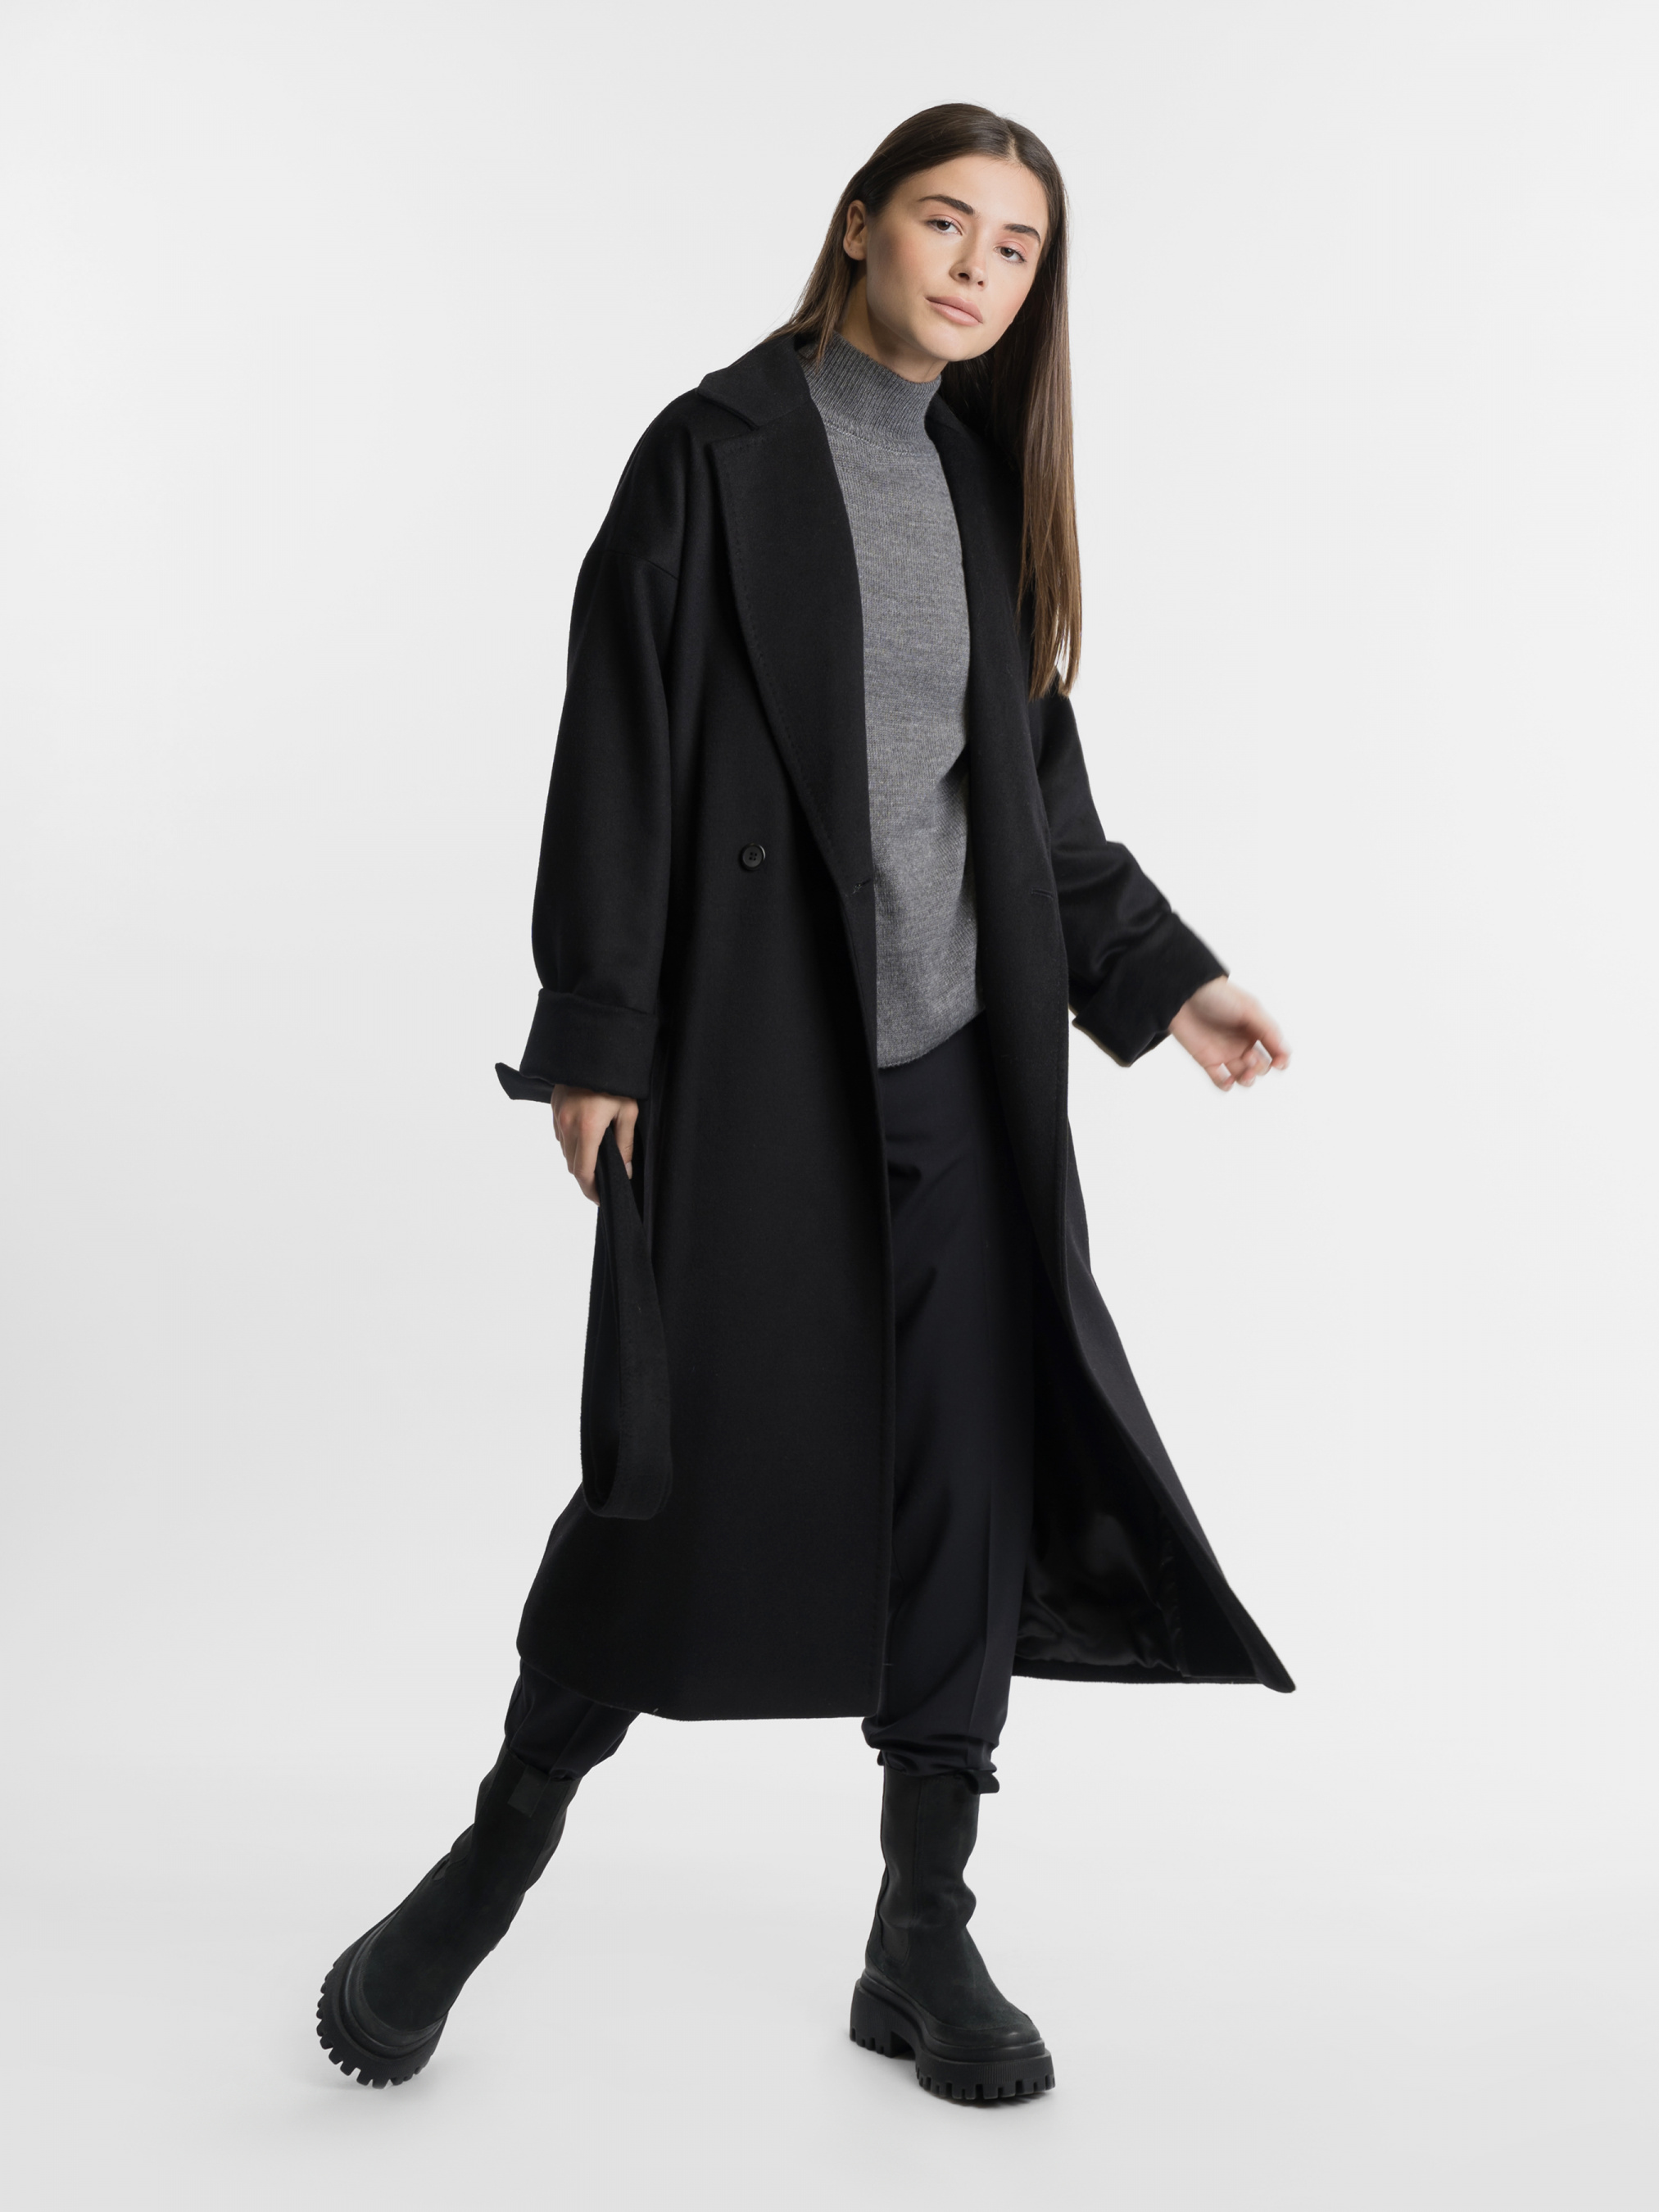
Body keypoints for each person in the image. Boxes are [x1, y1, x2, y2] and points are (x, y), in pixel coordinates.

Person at [317, 102, 1293, 2106]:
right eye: (943, 222)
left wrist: (1165, 974)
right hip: (757, 1063)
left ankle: (920, 1925)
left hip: (959, 1080)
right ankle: (490, 1860)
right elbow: (617, 748)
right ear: (857, 229)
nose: (975, 269)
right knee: (670, 1468)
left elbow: (1028, 811)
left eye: (1013, 247)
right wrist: (599, 1036)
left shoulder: (977, 484)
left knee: (960, 1484)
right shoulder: (713, 451)